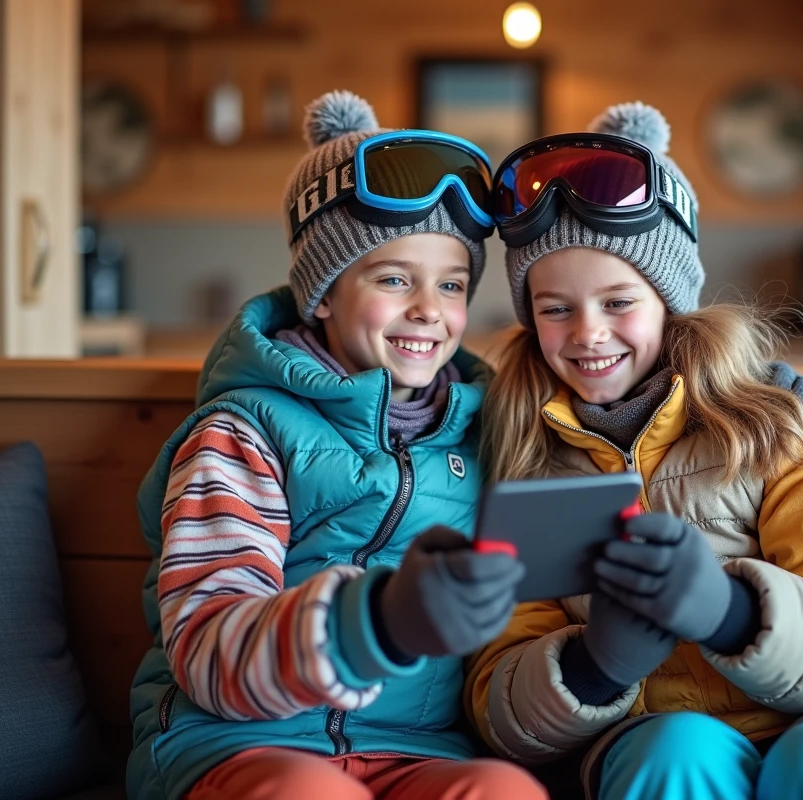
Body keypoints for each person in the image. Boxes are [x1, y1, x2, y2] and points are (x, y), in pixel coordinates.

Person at [466, 101, 803, 800]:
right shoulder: (520, 449)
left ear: (671, 302)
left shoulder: (776, 424)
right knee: (675, 753)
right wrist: (591, 666)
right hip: (653, 731)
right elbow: (499, 700)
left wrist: (731, 613)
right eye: (555, 308)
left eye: (618, 302)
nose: (586, 333)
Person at [126, 90, 546, 800]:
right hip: (234, 745)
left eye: (451, 284)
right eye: (392, 279)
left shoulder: (488, 426)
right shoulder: (242, 432)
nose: (427, 310)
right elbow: (205, 643)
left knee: (506, 793)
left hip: (417, 748)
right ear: (322, 294)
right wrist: (374, 622)